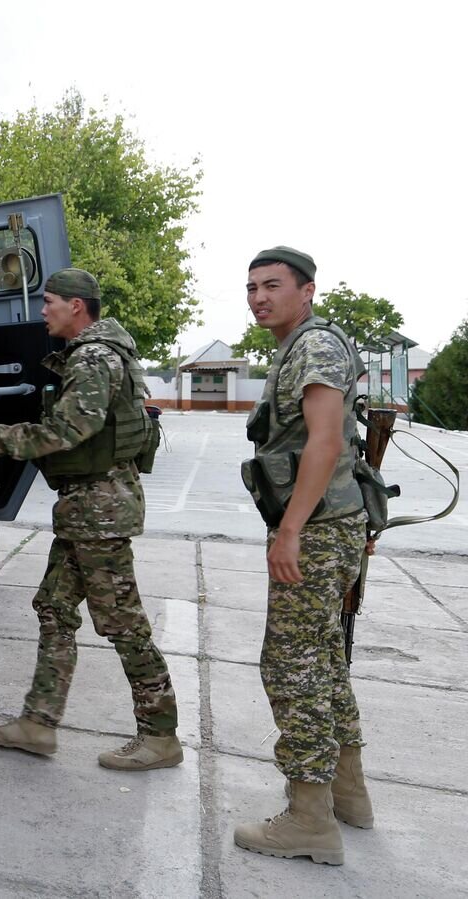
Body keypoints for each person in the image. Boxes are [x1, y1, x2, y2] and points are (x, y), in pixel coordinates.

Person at [0, 267, 181, 771]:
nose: (43, 311)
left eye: (49, 302)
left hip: (100, 512)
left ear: (76, 306)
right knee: (54, 607)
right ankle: (38, 724)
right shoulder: (97, 353)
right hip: (86, 509)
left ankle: (161, 735)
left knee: (123, 624)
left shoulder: (94, 357)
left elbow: (69, 428)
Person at [234, 246, 373, 867]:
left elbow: (322, 441)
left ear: (307, 290)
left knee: (291, 666)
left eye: (273, 286)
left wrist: (289, 531)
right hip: (332, 525)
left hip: (314, 531)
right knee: (323, 660)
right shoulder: (300, 345)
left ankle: (309, 818)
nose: (260, 297)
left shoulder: (314, 348)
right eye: (252, 287)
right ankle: (349, 795)